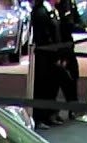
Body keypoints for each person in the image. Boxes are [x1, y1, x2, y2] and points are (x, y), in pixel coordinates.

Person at [30, 0, 64, 128]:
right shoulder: (41, 12)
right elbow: (44, 35)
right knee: (42, 87)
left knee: (51, 86)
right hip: (44, 55)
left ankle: (49, 115)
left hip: (53, 54)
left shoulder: (53, 10)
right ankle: (39, 118)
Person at [56, 0, 87, 122]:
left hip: (68, 45)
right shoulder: (62, 3)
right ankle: (51, 111)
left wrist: (85, 27)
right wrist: (81, 28)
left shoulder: (70, 2)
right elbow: (66, 24)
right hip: (59, 45)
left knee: (73, 75)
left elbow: (75, 17)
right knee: (61, 78)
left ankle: (73, 106)